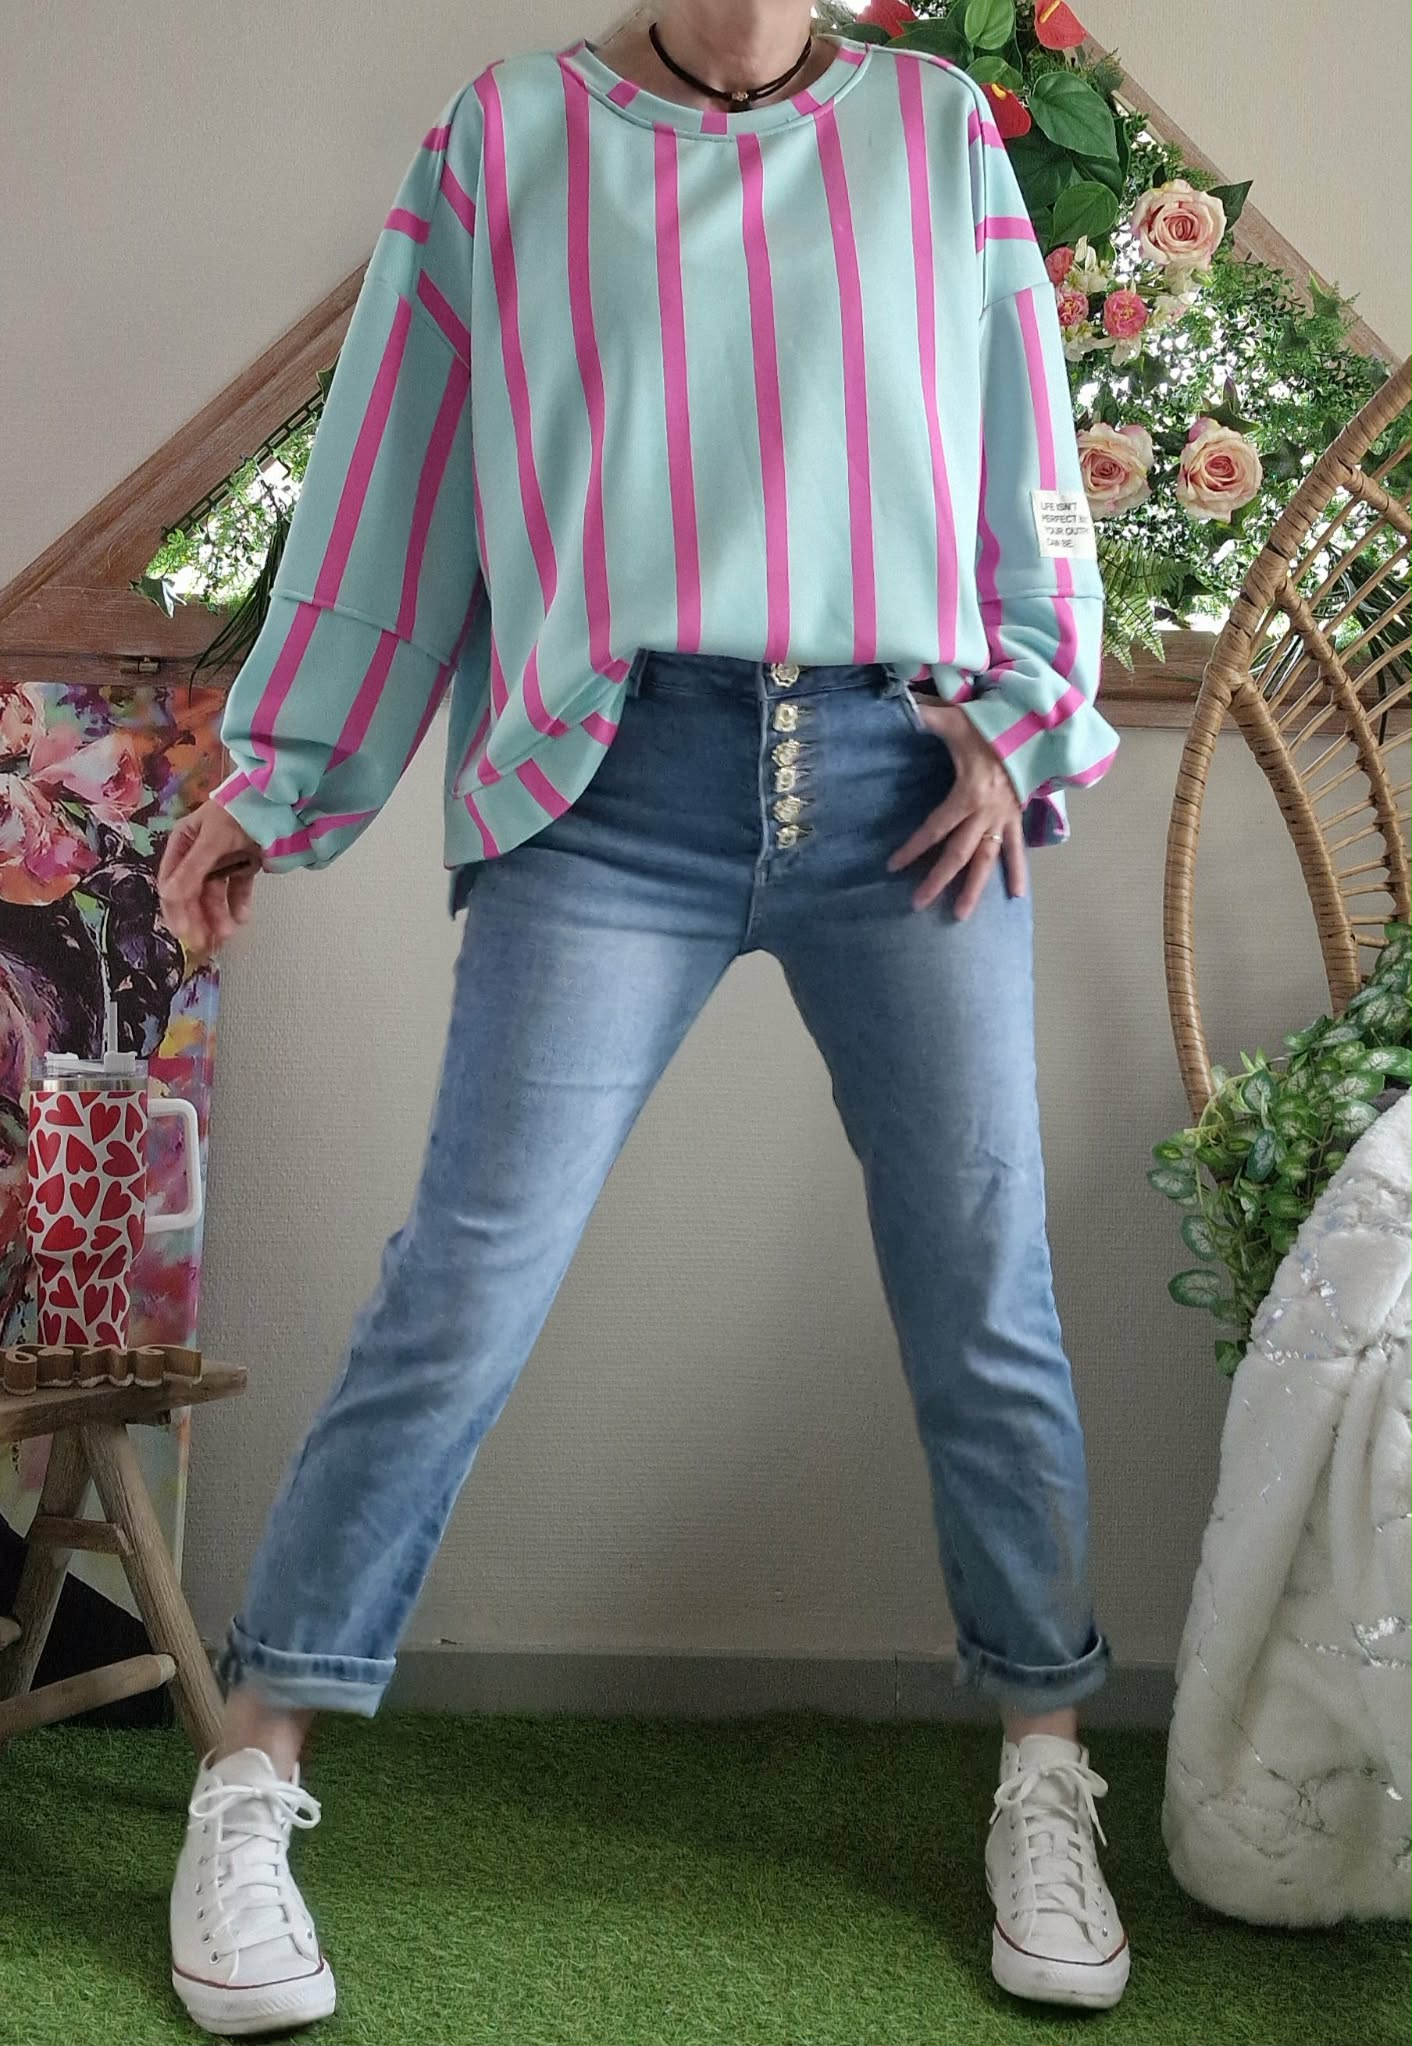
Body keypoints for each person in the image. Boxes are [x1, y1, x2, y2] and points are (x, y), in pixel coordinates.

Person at [157, 4, 1126, 2033]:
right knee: (465, 1284)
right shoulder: (507, 139)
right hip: (607, 785)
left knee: (985, 1278)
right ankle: (248, 1779)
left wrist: (1028, 704)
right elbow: (393, 485)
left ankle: (1046, 1768)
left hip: (903, 782)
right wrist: (281, 778)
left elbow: (1032, 455)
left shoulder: (938, 132)